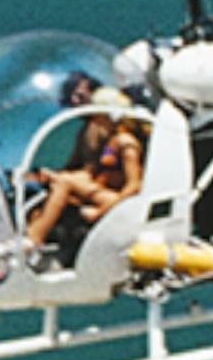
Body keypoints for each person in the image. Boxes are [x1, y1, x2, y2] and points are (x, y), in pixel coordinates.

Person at [23, 88, 145, 255]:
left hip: (119, 200)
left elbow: (134, 186)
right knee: (51, 190)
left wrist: (100, 213)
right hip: (100, 191)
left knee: (64, 182)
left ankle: (34, 239)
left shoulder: (126, 143)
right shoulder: (106, 137)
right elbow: (86, 172)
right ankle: (29, 237)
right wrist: (49, 176)